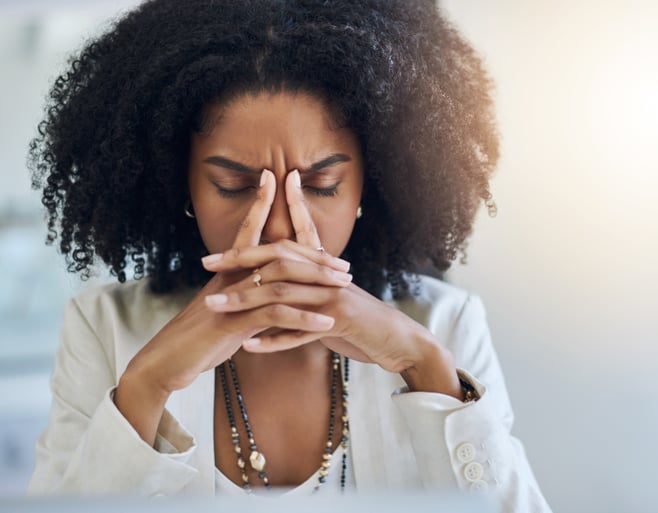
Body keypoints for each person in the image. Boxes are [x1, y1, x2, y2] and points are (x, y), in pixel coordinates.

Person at [26, 1, 552, 511]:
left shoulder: (446, 325)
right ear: (177, 182)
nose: (278, 225)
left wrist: (426, 366)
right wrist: (146, 387)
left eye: (321, 185)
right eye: (234, 185)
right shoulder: (103, 328)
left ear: (373, 183)